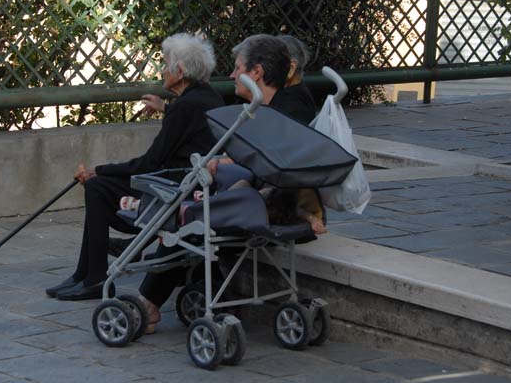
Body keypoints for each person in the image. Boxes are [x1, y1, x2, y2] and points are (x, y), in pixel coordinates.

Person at [137, 34, 315, 332]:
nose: (232, 75)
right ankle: (208, 294)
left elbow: (265, 166)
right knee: (198, 209)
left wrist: (226, 167)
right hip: (271, 201)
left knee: (189, 220)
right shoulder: (281, 106)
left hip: (264, 205)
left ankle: (149, 301)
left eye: (237, 68)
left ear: (256, 73)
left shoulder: (275, 115)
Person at [46, 33, 224, 301]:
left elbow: (151, 162)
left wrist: (100, 170)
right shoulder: (208, 98)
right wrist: (166, 109)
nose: (162, 70)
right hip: (191, 182)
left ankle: (94, 278)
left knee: (97, 187)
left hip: (175, 188)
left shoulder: (185, 107)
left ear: (180, 71)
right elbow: (188, 131)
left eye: (165, 64)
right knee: (99, 185)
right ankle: (85, 273)